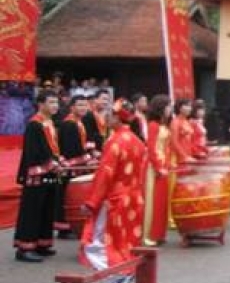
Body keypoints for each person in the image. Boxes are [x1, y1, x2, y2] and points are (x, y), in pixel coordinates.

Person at [79, 98, 147, 274]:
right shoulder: (137, 141)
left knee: (100, 242)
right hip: (134, 197)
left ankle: (113, 276)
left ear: (118, 118)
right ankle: (128, 273)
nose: (107, 118)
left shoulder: (115, 141)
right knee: (127, 240)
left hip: (114, 199)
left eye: (110, 115)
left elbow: (105, 174)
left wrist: (92, 202)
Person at [13, 91, 61, 263]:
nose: (56, 105)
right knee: (32, 210)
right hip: (37, 174)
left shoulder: (50, 122)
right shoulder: (34, 124)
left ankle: (42, 243)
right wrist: (51, 164)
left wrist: (57, 160)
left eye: (57, 102)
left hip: (50, 173)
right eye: (52, 102)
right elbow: (32, 153)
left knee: (47, 208)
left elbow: (53, 148)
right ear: (41, 104)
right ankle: (24, 248)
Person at [56, 95, 95, 240]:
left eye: (85, 105)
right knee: (66, 196)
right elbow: (70, 148)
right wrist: (86, 158)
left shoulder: (79, 122)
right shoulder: (69, 124)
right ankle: (63, 228)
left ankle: (69, 226)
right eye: (80, 105)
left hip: (77, 164)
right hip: (70, 164)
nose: (83, 108)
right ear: (72, 107)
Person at [143, 95, 171, 247]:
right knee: (153, 201)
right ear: (161, 108)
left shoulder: (163, 124)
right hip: (155, 167)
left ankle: (159, 233)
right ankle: (149, 234)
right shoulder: (153, 125)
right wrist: (158, 166)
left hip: (164, 163)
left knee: (161, 201)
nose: (170, 109)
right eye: (168, 106)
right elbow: (151, 148)